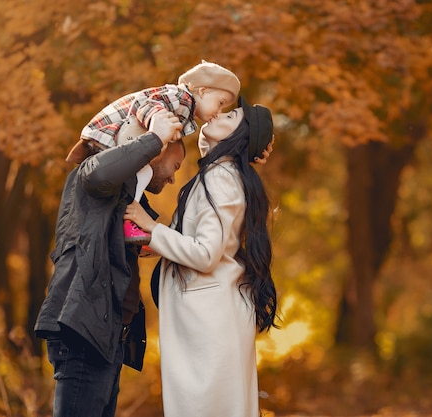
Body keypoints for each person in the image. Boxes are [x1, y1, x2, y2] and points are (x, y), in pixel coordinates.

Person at [123, 96, 279, 417]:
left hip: (209, 323)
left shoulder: (221, 178)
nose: (219, 112)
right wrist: (157, 243)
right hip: (210, 318)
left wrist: (152, 227)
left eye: (232, 114)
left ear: (240, 135)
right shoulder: (220, 173)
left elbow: (207, 254)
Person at [34, 109, 185, 417]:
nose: (172, 176)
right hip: (82, 330)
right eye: (175, 165)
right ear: (154, 152)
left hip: (108, 334)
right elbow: (103, 172)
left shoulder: (124, 199)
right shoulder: (90, 174)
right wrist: (155, 138)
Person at [65, 60, 242, 245]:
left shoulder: (183, 104)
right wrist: (157, 133)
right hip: (109, 135)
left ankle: (132, 220)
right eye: (220, 103)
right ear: (203, 91)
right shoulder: (181, 98)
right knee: (145, 172)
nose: (219, 111)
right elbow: (147, 108)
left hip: (116, 139)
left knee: (139, 173)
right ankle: (129, 219)